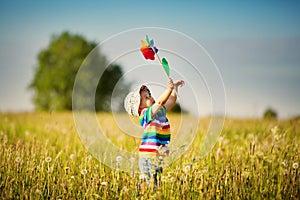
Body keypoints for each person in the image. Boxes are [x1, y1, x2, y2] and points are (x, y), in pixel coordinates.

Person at [124, 77, 184, 191]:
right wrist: (168, 89)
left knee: (155, 183)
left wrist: (175, 89)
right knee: (151, 184)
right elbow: (161, 101)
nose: (150, 97)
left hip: (159, 155)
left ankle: (142, 193)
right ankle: (138, 194)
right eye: (146, 97)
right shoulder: (145, 114)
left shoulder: (160, 111)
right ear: (139, 107)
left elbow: (170, 101)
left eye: (149, 94)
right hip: (148, 155)